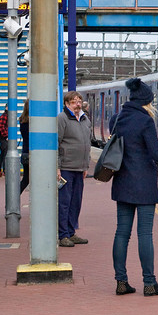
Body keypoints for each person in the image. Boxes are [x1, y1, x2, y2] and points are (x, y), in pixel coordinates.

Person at [110, 78, 158, 296]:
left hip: (122, 182)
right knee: (145, 233)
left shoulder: (117, 119)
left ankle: (121, 281)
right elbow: (157, 154)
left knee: (121, 233)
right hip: (143, 184)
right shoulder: (145, 121)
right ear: (146, 102)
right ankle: (149, 283)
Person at [57, 91, 92, 247]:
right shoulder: (62, 119)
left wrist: (86, 165)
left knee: (76, 202)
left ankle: (71, 232)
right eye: (73, 102)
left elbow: (87, 143)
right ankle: (63, 234)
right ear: (66, 104)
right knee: (64, 202)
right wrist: (57, 167)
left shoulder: (85, 120)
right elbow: (56, 143)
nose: (77, 104)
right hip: (65, 167)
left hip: (80, 167)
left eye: (79, 101)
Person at [19, 100, 30, 194]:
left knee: (26, 179)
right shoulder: (33, 122)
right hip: (34, 153)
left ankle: (12, 199)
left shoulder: (22, 120)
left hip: (25, 152)